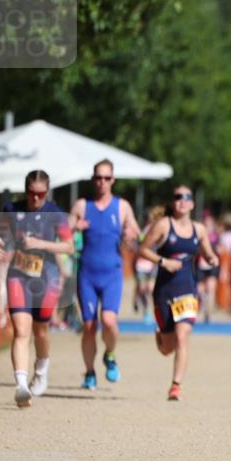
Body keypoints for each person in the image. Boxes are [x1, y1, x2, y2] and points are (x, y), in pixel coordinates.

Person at [0, 170, 74, 407]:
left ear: (47, 192)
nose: (36, 199)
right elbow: (2, 235)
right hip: (18, 275)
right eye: (32, 193)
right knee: (21, 331)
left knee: (41, 330)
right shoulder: (11, 210)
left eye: (41, 194)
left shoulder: (56, 215)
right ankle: (20, 386)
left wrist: (39, 243)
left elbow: (69, 247)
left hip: (46, 277)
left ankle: (40, 370)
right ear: (25, 190)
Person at [138, 186, 219, 401]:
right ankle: (161, 336)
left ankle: (175, 386)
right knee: (167, 349)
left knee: (183, 336)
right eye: (177, 197)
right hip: (164, 291)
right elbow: (143, 249)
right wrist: (163, 261)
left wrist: (212, 258)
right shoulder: (164, 225)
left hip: (187, 290)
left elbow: (208, 252)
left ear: (192, 204)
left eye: (187, 198)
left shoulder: (199, 229)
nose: (182, 201)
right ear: (173, 203)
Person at [69, 159, 140, 390]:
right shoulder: (81, 205)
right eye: (98, 178)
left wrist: (130, 234)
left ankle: (110, 355)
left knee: (109, 321)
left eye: (107, 178)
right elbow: (62, 233)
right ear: (93, 180)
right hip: (87, 274)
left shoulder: (122, 206)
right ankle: (89, 373)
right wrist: (74, 228)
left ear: (113, 180)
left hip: (111, 274)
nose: (102, 182)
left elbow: (136, 234)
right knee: (89, 327)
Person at [133, 205, 166, 324]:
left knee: (150, 289)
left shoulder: (157, 229)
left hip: (153, 264)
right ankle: (145, 308)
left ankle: (150, 311)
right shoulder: (142, 231)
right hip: (141, 265)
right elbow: (136, 246)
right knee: (142, 289)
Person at [195, 213, 220, 323]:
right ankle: (203, 303)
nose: (208, 226)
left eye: (210, 224)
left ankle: (208, 313)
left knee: (211, 288)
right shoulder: (198, 236)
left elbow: (218, 249)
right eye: (206, 224)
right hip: (200, 266)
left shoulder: (215, 236)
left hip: (211, 266)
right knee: (200, 290)